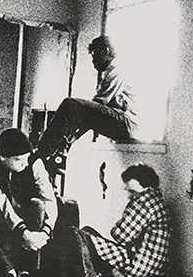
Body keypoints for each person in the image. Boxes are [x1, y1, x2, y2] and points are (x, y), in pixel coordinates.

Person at [36, 36, 140, 178]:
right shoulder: (113, 71)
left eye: (95, 56)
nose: (93, 62)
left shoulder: (118, 68)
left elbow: (97, 105)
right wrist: (72, 138)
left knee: (70, 104)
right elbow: (91, 116)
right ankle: (53, 153)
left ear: (106, 51)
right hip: (126, 126)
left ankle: (41, 153)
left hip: (129, 125)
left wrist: (74, 135)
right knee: (77, 110)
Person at [0, 128, 58, 277]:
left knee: (38, 205)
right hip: (1, 217)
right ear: (3, 158)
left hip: (28, 216)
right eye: (19, 160)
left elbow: (49, 199)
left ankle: (28, 270)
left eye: (26, 159)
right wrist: (22, 232)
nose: (25, 164)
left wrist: (45, 232)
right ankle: (6, 270)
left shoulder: (34, 162)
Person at [80, 164, 172, 277]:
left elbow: (120, 236)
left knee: (81, 236)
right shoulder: (157, 200)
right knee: (88, 232)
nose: (130, 196)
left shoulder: (144, 202)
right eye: (128, 191)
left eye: (132, 192)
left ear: (147, 188)